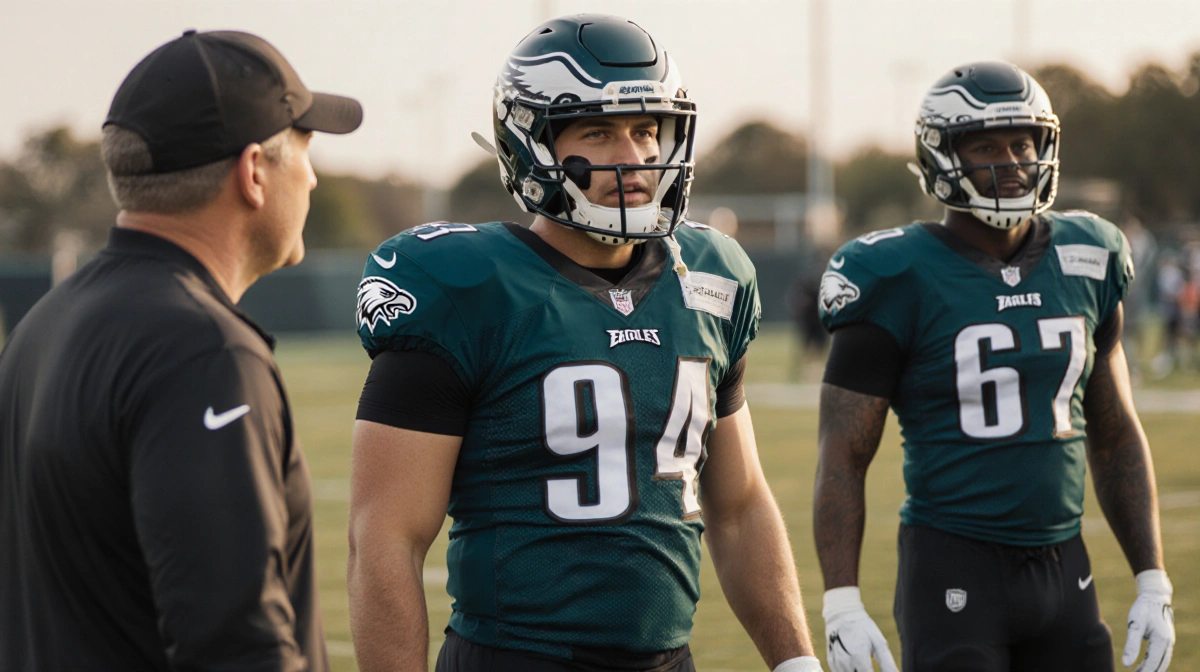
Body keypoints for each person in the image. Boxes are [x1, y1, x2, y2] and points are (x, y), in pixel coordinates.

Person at [346, 14, 822, 672]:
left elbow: (739, 507)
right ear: (530, 142)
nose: (632, 157)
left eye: (645, 130)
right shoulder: (464, 286)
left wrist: (796, 661)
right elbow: (386, 540)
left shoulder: (709, 278)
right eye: (598, 131)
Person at [0, 30, 362, 671]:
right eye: (305, 148)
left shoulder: (42, 324)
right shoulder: (205, 353)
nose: (309, 175)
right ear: (254, 173)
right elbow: (236, 643)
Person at [812, 62, 1175, 672]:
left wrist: (1153, 578)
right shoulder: (894, 273)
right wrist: (841, 602)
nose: (1010, 161)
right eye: (985, 145)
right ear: (941, 157)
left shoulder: (1089, 256)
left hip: (1066, 566)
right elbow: (843, 453)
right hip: (952, 565)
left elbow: (1114, 435)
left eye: (1023, 143)